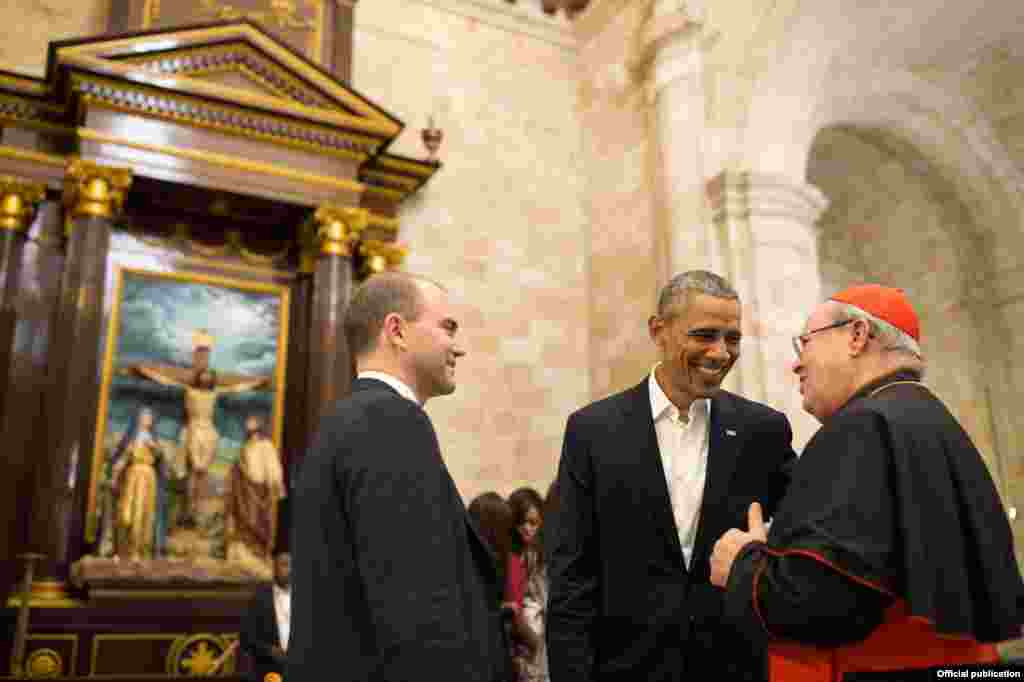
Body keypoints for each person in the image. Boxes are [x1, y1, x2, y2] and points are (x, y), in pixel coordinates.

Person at [709, 284, 1024, 680]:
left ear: (857, 335)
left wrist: (742, 563)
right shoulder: (930, 421)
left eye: (805, 343)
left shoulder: (861, 427)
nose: (796, 365)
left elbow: (820, 600)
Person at [545, 270, 797, 682]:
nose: (720, 353)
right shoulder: (593, 431)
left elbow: (807, 532)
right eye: (704, 335)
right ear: (658, 331)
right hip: (625, 669)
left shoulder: (762, 431)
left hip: (733, 669)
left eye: (732, 338)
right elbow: (572, 575)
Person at [287, 272, 509, 682]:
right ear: (397, 330)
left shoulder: (345, 420)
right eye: (447, 327)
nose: (457, 347)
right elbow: (417, 608)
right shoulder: (390, 420)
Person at [226, 413, 286, 578]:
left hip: (259, 492)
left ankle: (257, 554)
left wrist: (275, 485)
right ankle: (245, 553)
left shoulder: (265, 446)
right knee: (244, 521)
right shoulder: (245, 447)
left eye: (255, 430)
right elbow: (237, 470)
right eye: (250, 431)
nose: (252, 434)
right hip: (244, 492)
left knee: (258, 522)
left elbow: (273, 468)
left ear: (260, 429)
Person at [110, 407, 168, 561]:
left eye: (148, 418)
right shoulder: (133, 438)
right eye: (143, 417)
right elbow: (123, 458)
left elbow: (160, 457)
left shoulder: (153, 440)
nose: (145, 420)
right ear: (138, 419)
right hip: (133, 477)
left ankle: (140, 550)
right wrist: (115, 475)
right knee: (127, 513)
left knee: (144, 513)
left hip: (148, 478)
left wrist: (153, 446)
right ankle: (124, 548)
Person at [505, 487, 546, 682]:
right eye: (522, 522)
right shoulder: (512, 559)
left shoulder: (533, 554)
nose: (527, 529)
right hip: (523, 649)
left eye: (533, 523)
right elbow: (515, 614)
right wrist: (538, 646)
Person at [240, 551, 290, 682]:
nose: (289, 570)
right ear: (274, 568)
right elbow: (246, 637)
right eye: (284, 564)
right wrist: (269, 650)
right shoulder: (259, 599)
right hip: (268, 670)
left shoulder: (308, 598)